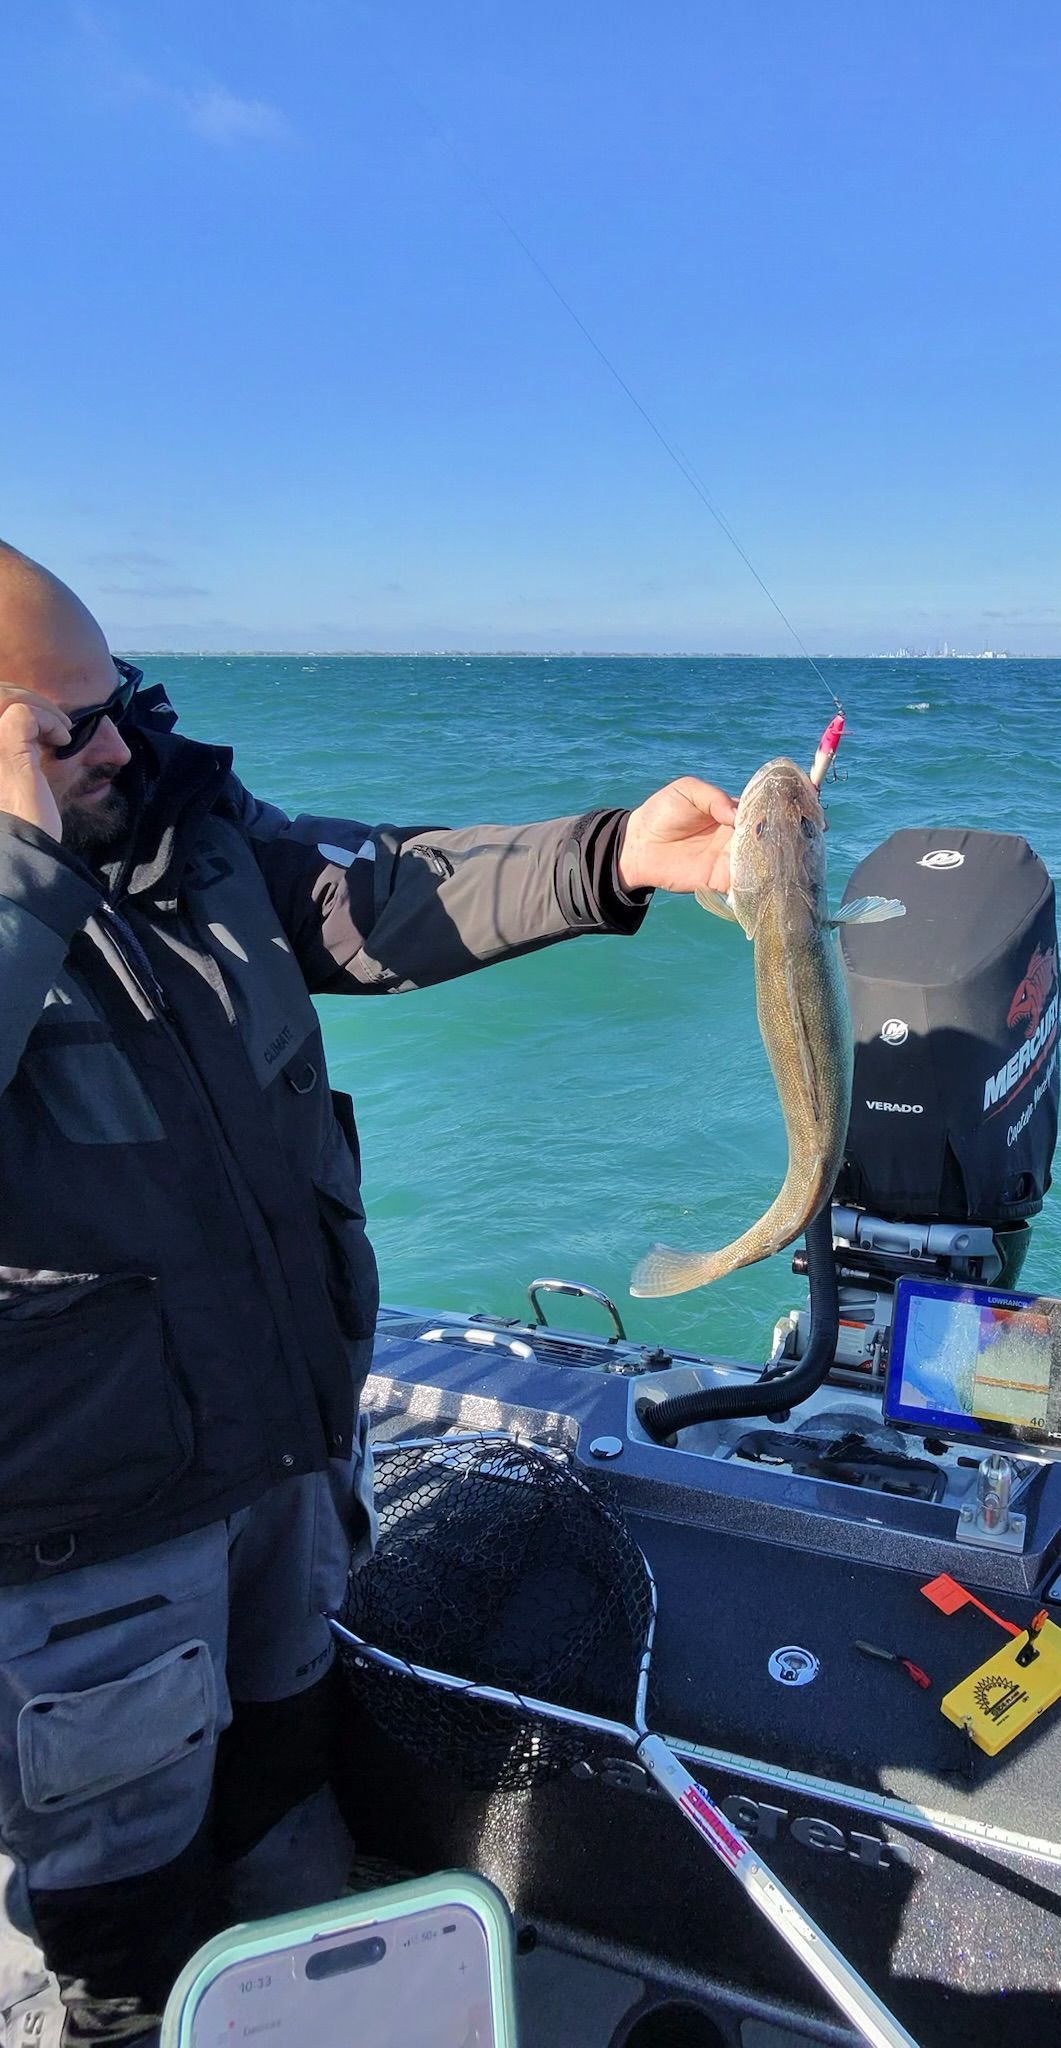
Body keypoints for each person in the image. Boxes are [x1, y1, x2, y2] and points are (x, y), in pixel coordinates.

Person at [0, 542, 737, 2044]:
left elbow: (379, 894)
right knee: (125, 1908)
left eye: (120, 699)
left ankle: (309, 1975)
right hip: (80, 1538)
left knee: (286, 1780)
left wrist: (615, 856)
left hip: (283, 1455)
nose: (119, 746)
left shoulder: (183, 832)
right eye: (62, 729)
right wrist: (23, 873)